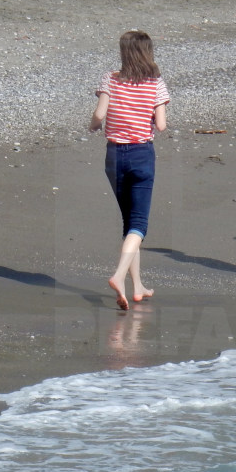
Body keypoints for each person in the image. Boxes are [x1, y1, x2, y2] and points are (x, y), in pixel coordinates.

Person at [89, 30, 170, 311]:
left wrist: (94, 125)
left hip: (114, 155)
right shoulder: (155, 83)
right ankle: (118, 275)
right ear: (148, 52)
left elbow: (100, 114)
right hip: (141, 153)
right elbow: (160, 125)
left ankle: (137, 287)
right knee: (139, 224)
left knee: (129, 222)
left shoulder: (109, 78)